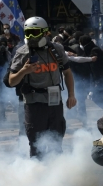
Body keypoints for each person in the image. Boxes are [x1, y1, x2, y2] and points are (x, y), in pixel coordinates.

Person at [8, 17, 77, 158]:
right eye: (28, 33)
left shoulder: (57, 49)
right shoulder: (22, 52)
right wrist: (24, 71)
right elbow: (11, 81)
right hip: (34, 103)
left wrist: (71, 95)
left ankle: (57, 174)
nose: (31, 37)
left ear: (45, 33)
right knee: (36, 143)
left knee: (56, 140)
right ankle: (37, 174)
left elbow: (67, 73)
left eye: (35, 32)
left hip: (54, 102)